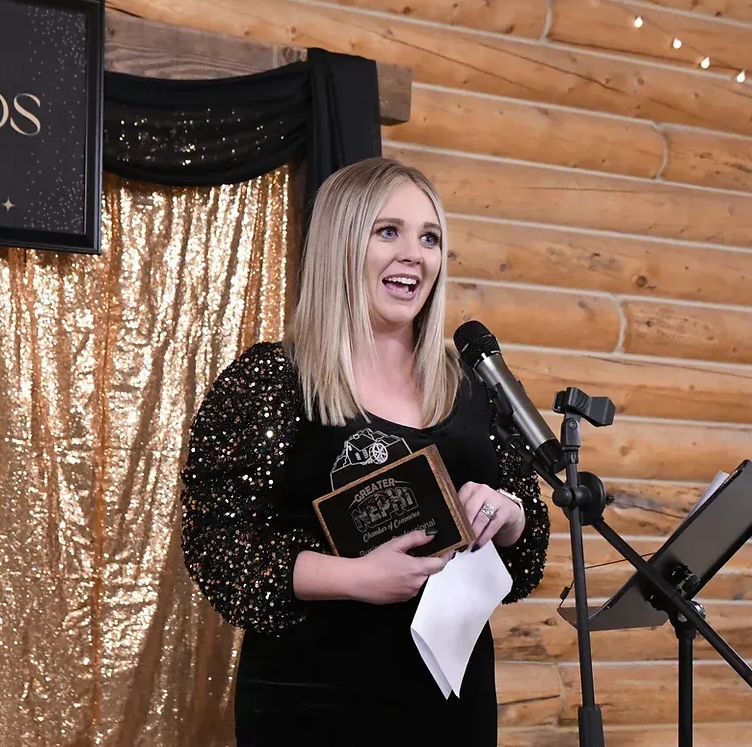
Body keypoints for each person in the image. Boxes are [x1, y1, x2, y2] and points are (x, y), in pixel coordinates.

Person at [180, 157, 550, 746]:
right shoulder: (272, 382)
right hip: (313, 702)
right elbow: (218, 548)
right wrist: (355, 578)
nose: (415, 254)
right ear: (342, 244)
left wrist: (509, 519)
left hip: (451, 704)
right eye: (389, 232)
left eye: (429, 238)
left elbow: (527, 557)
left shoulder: (474, 387)